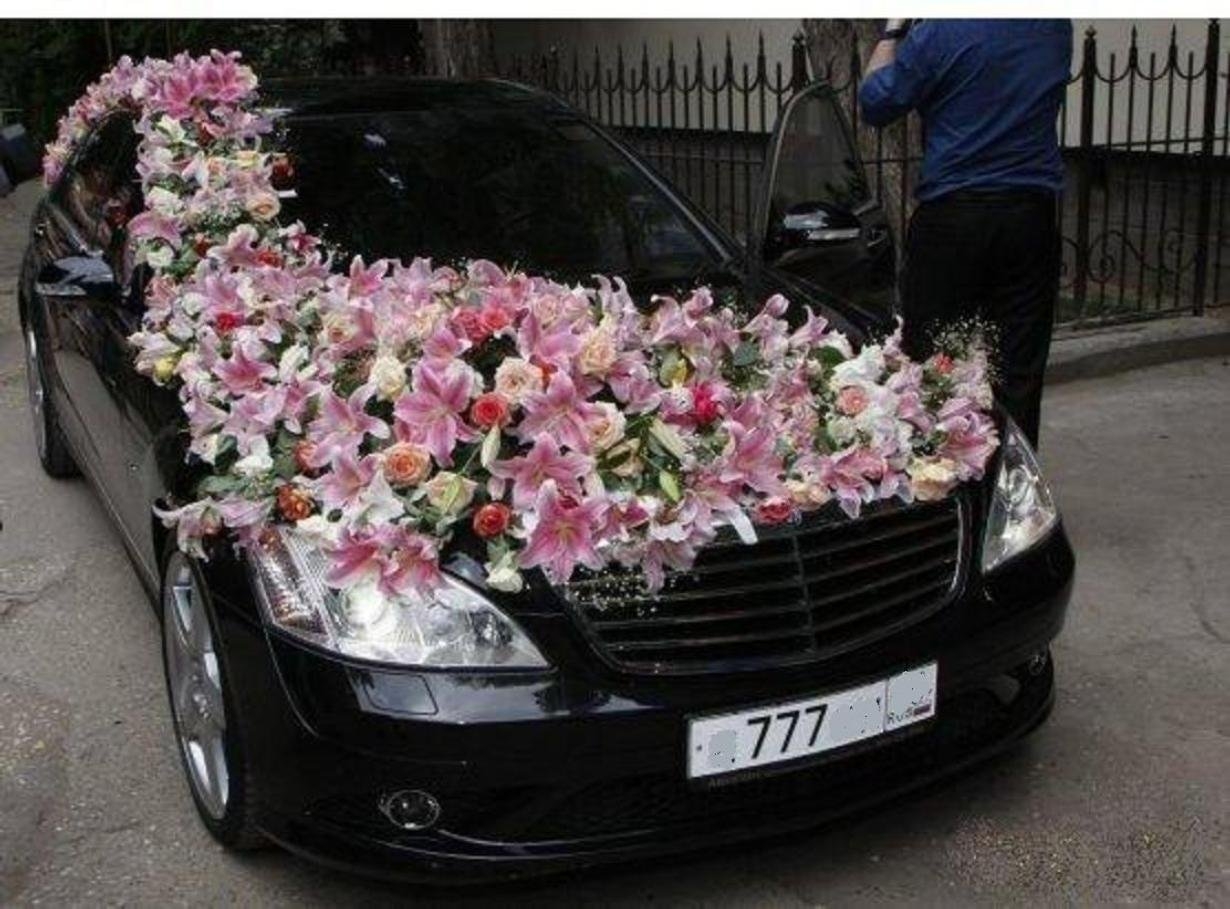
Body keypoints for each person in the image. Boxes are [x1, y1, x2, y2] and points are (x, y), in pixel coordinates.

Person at [859, 19, 1072, 447]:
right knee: (1018, 369)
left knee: (932, 360)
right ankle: (1010, 477)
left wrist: (893, 31)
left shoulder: (940, 32)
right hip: (1029, 216)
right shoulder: (1053, 26)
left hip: (953, 216)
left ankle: (938, 470)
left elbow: (876, 102)